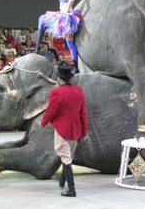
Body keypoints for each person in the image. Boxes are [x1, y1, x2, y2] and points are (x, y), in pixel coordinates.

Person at [40, 63, 88, 197]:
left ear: (59, 78)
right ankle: (62, 180)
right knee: (68, 155)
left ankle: (71, 189)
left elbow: (51, 111)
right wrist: (84, 131)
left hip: (62, 128)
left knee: (65, 156)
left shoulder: (56, 92)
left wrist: (43, 122)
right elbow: (83, 113)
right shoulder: (79, 91)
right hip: (76, 129)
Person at [37, 0, 82, 74]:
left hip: (66, 16)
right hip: (65, 14)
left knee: (69, 42)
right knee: (69, 42)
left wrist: (66, 10)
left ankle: (37, 50)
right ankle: (76, 66)